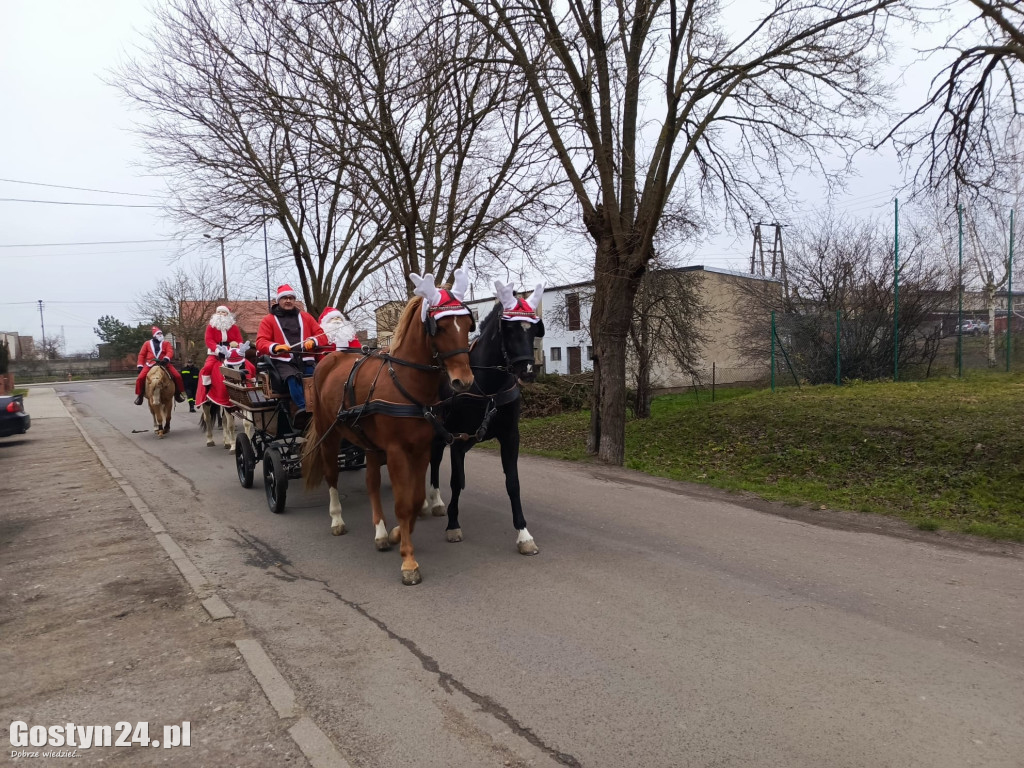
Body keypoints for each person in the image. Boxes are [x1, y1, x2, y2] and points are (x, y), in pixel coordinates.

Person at [255, 285, 327, 418]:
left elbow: (322, 335)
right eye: (284, 298)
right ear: (278, 301)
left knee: (317, 379)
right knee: (292, 379)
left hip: (306, 360)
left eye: (291, 298)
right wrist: (275, 347)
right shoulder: (268, 320)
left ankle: (322, 408)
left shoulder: (306, 317)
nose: (288, 301)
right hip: (283, 362)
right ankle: (305, 412)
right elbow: (260, 342)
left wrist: (313, 341)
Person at [134, 326, 185, 406]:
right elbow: (141, 355)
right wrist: (140, 365)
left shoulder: (166, 343)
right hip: (150, 364)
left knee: (177, 376)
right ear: (154, 335)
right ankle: (140, 395)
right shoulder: (147, 343)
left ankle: (178, 393)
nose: (161, 334)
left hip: (164, 363)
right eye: (159, 333)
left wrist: (166, 358)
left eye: (161, 333)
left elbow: (170, 351)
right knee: (140, 378)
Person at [197, 342, 254, 409]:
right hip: (216, 355)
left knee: (251, 367)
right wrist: (218, 350)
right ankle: (207, 388)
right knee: (207, 368)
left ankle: (251, 386)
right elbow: (209, 341)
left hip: (234, 356)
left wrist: (236, 349)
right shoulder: (212, 331)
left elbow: (238, 339)